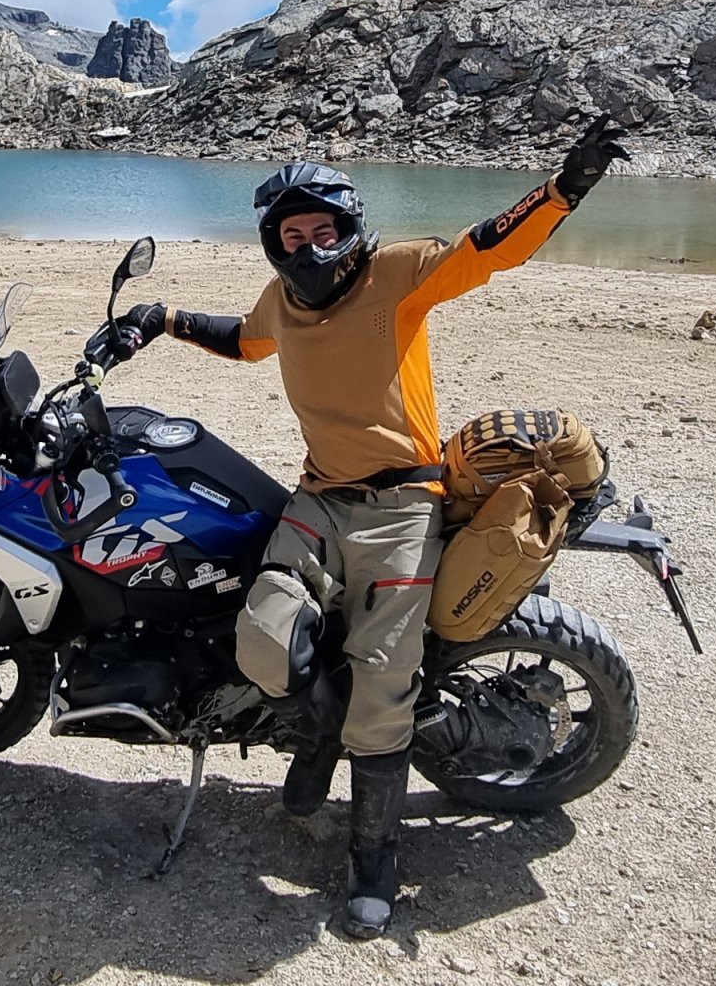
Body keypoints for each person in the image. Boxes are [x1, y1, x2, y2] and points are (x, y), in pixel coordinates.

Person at [104, 118, 629, 938]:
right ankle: (320, 737)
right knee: (262, 640)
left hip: (402, 509)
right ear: (274, 243)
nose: (308, 246)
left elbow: (488, 248)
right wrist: (161, 316)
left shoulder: (396, 275)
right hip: (316, 501)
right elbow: (245, 341)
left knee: (384, 692)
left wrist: (567, 187)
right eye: (291, 234)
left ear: (349, 228)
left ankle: (374, 854)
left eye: (322, 230)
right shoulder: (282, 301)